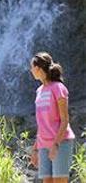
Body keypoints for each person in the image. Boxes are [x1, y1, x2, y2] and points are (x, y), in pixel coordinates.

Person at [30, 52, 75, 183]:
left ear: (38, 68)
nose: (31, 70)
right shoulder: (39, 91)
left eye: (32, 67)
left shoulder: (58, 88)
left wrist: (56, 144)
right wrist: (35, 148)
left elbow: (65, 119)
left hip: (60, 142)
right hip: (43, 144)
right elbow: (42, 123)